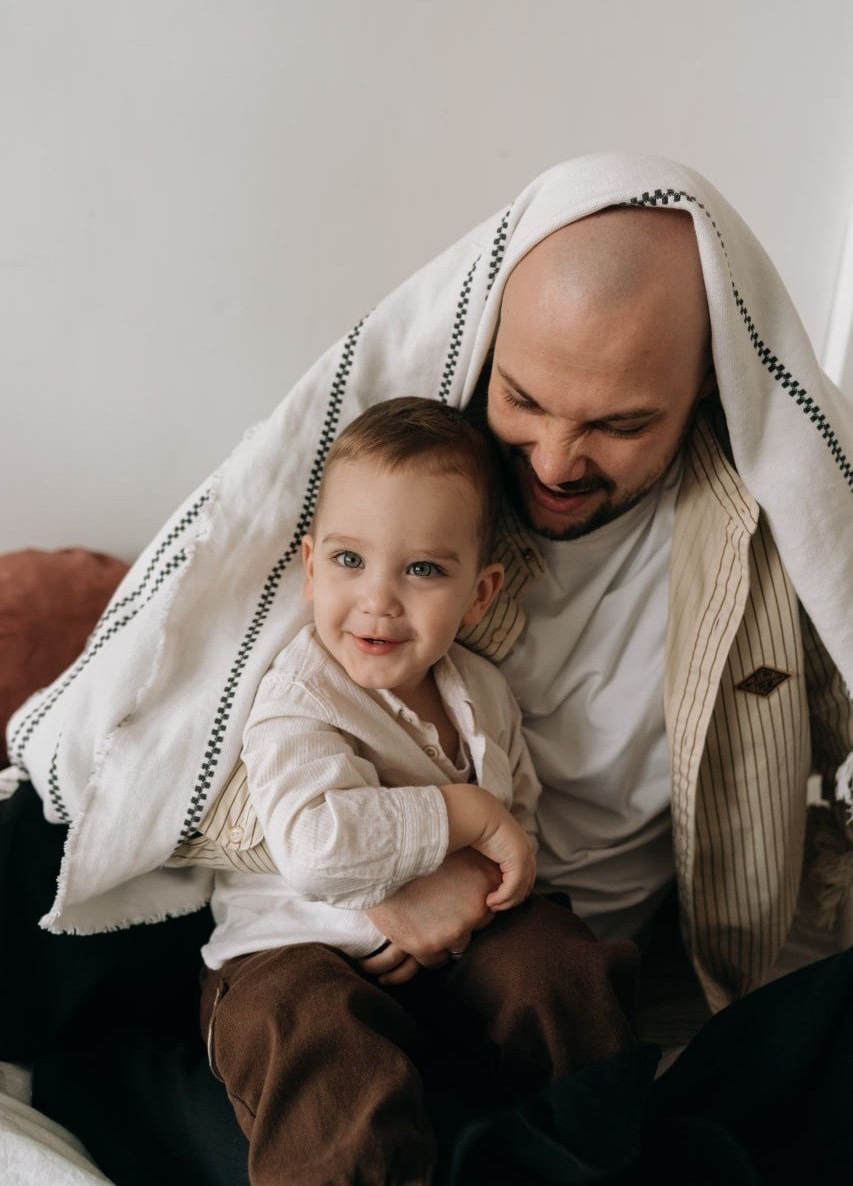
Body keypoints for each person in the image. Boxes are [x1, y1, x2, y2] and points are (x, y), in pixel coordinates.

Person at [7, 155, 852, 1165]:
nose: (554, 460)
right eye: (524, 400)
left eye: (619, 424)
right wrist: (397, 879)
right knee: (294, 1056)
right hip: (303, 916)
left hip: (533, 941)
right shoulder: (404, 490)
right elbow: (184, 739)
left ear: (705, 384)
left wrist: (487, 877)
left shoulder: (774, 540)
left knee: (568, 1041)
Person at [199, 396, 639, 1185]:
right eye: (349, 560)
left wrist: (496, 887)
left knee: (559, 964)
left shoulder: (482, 693)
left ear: (479, 593)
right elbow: (315, 849)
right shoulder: (300, 693)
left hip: (456, 948)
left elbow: (517, 824)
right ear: (309, 568)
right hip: (293, 951)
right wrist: (462, 812)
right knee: (314, 1039)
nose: (378, 599)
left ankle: (585, 1148)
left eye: (423, 569)